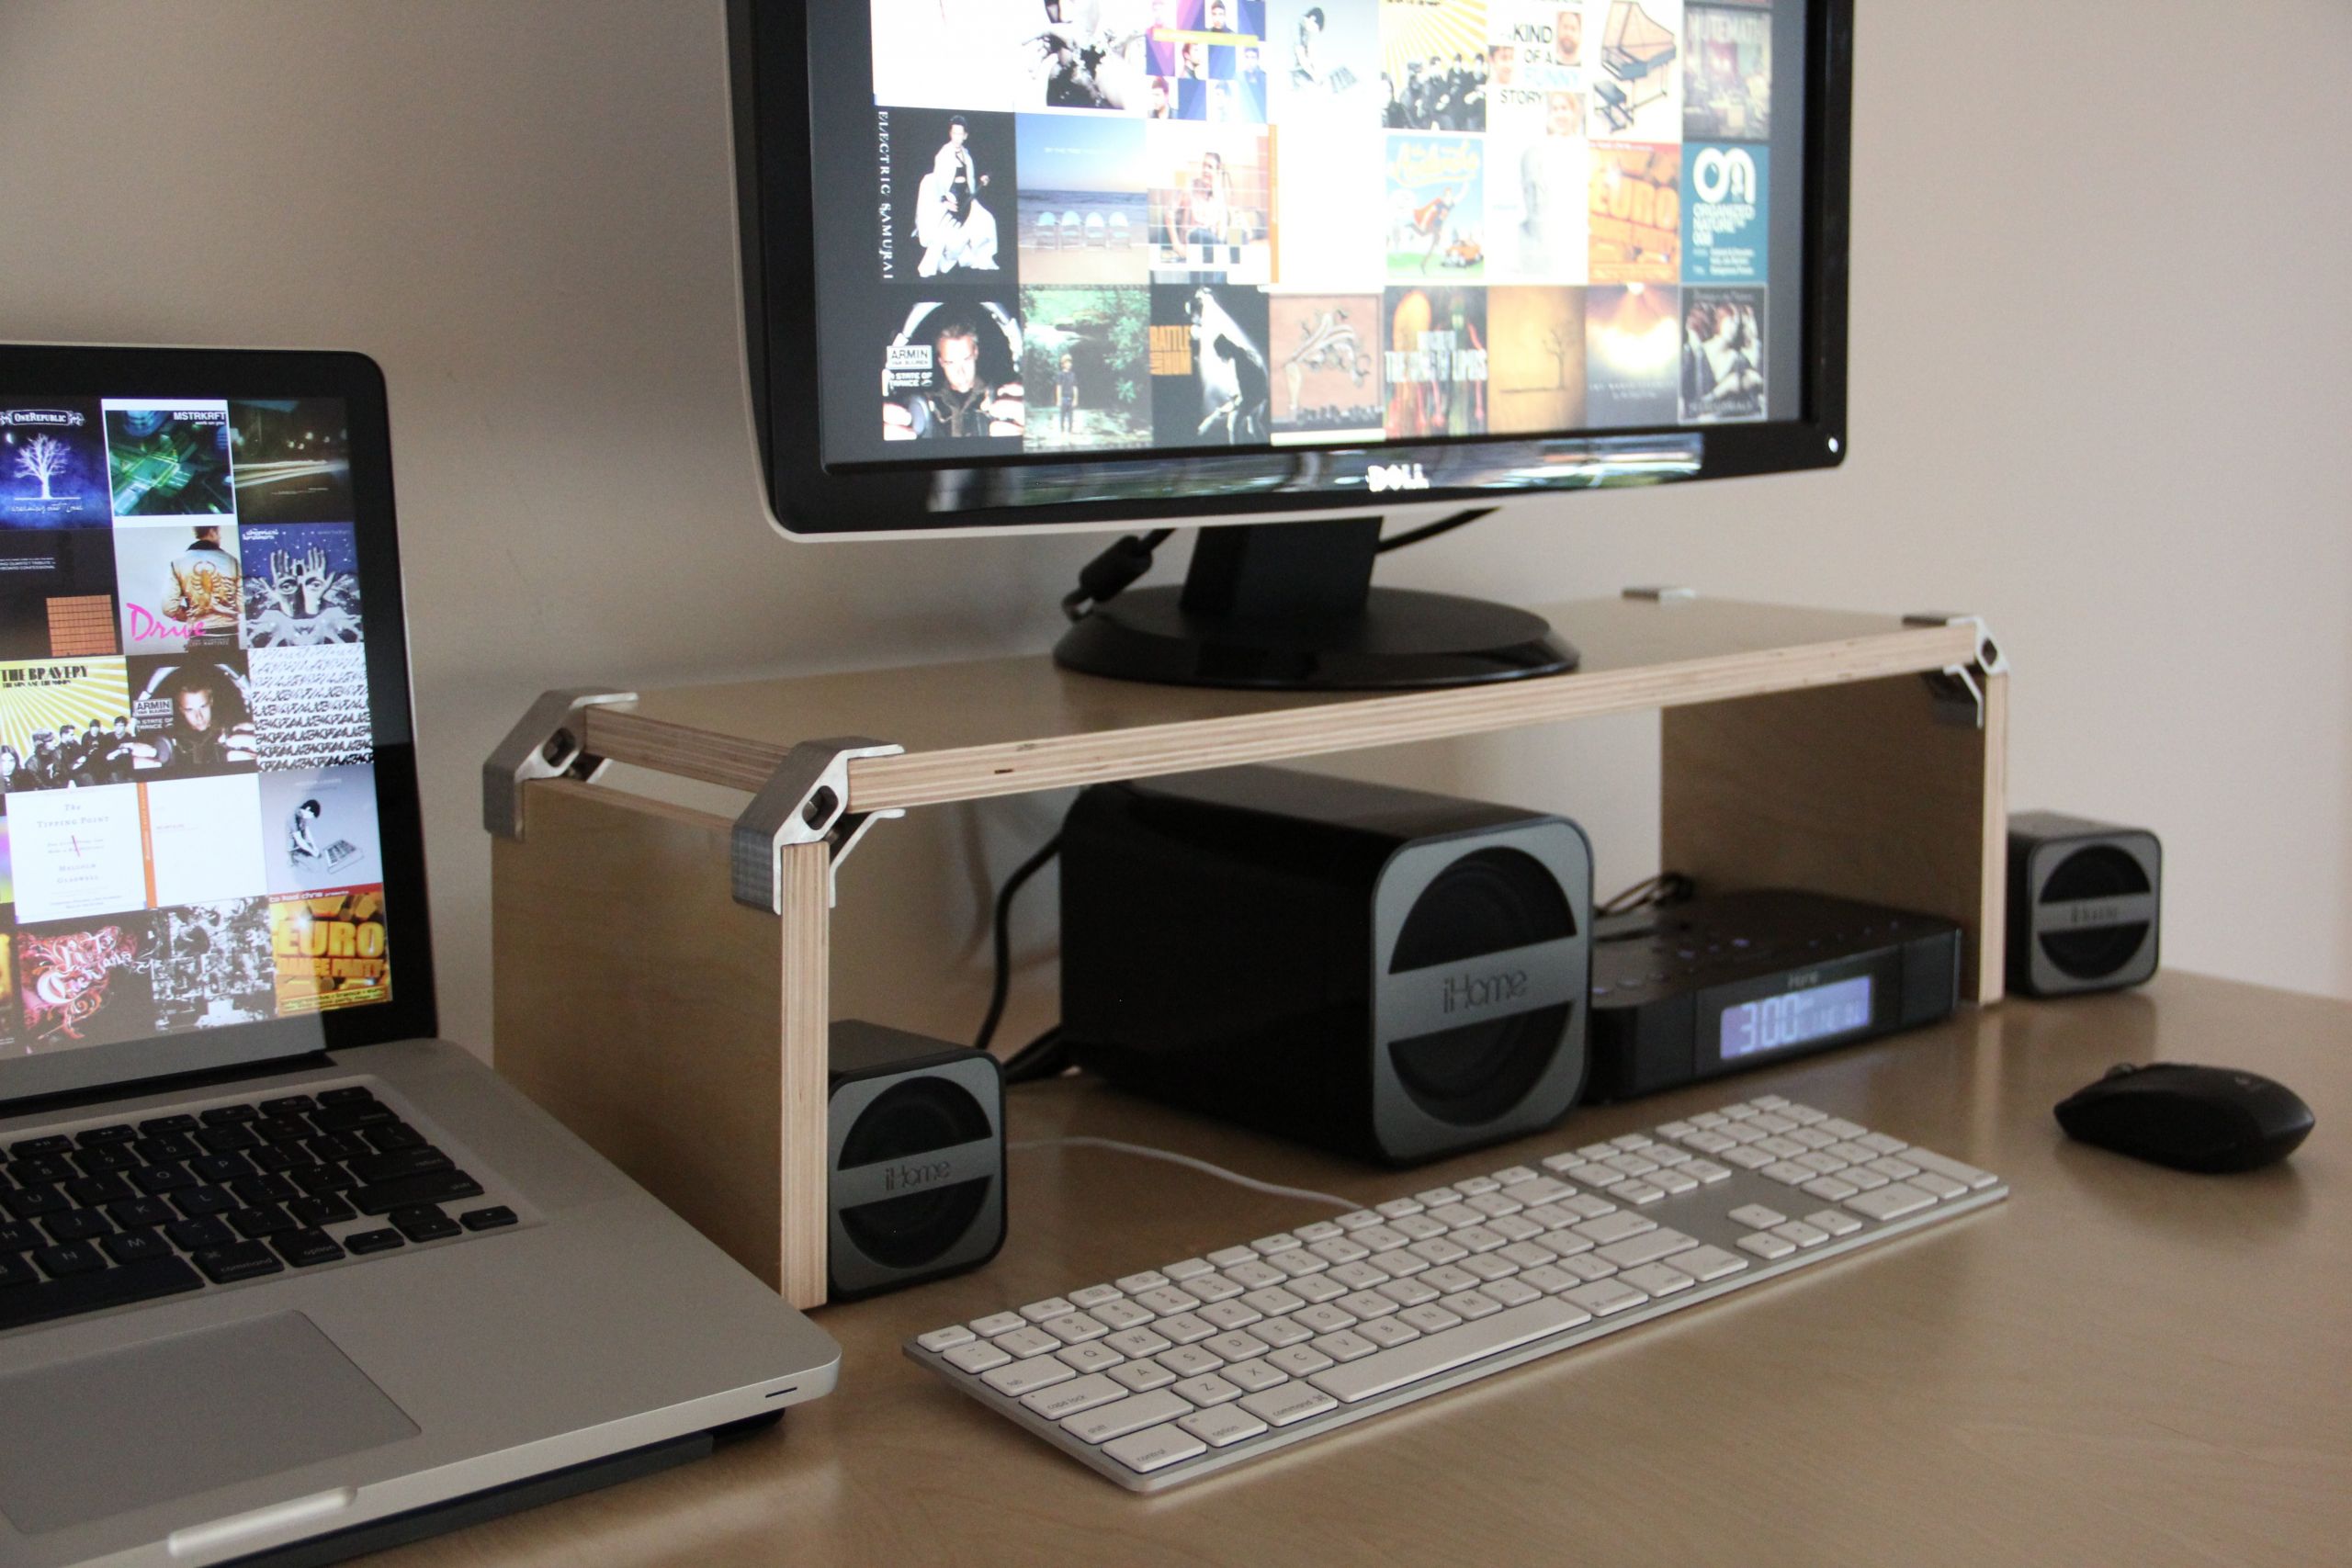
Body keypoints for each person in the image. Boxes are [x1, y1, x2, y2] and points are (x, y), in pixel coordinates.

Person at [885, 316, 1026, 440]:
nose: (961, 373)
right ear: (941, 361)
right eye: (950, 362)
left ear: (976, 353)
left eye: (966, 359)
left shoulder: (1004, 397)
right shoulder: (919, 405)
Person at [128, 663, 258, 775]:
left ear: (211, 702)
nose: (199, 717)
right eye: (190, 709)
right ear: (181, 710)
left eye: (203, 706)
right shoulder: (165, 737)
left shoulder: (235, 731)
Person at [915, 116, 1001, 276]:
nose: (957, 137)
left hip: (967, 200)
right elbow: (937, 182)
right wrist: (944, 202)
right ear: (950, 133)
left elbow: (971, 179)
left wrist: (984, 179)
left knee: (987, 221)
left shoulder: (966, 154)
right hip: (950, 202)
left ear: (965, 135)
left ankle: (983, 258)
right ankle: (929, 268)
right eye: (954, 133)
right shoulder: (943, 154)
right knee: (943, 237)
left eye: (960, 134)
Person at [1182, 149, 1233, 246]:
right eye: (1204, 165)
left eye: (1210, 167)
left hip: (1212, 240)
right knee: (1200, 234)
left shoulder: (1219, 193)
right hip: (1195, 236)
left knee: (1238, 235)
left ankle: (1223, 252)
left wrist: (1221, 239)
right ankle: (1220, 250)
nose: (1205, 170)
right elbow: (1184, 223)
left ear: (1217, 171)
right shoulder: (1191, 186)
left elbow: (1222, 223)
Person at [1055, 353, 1080, 434]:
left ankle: (1070, 430)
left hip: (1070, 398)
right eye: (1067, 362)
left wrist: (1075, 399)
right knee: (1062, 415)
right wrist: (1058, 400)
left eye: (1070, 362)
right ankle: (1062, 430)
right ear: (1063, 364)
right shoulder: (1060, 375)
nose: (1070, 364)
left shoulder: (1073, 375)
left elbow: (1075, 387)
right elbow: (1059, 387)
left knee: (1071, 416)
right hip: (1063, 398)